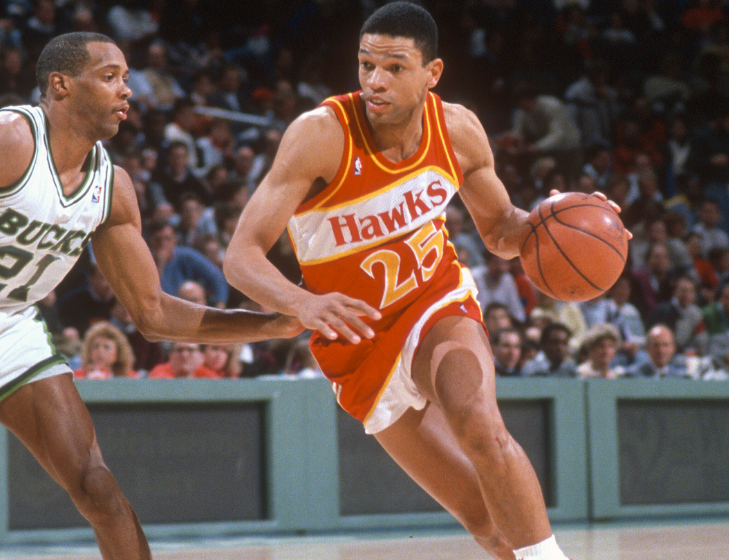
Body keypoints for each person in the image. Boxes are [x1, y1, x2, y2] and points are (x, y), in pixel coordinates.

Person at [223, 4, 628, 558]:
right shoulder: (321, 135)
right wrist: (303, 304)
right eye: (366, 65)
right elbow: (240, 257)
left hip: (435, 301)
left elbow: (502, 231)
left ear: (432, 72)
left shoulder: (457, 129)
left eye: (394, 67)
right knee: (482, 519)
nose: (374, 81)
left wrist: (563, 220)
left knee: (480, 426)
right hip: (357, 342)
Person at [0, 32, 301, 560]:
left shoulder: (111, 188)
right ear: (60, 85)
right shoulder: (4, 139)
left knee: (98, 488)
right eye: (110, 76)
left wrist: (268, 325)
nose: (128, 90)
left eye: (127, 77)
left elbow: (154, 313)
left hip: (9, 327)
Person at [74, 321, 139, 379]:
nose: (100, 351)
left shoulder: (130, 378)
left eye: (106, 347)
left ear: (118, 353)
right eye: (96, 346)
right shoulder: (77, 377)